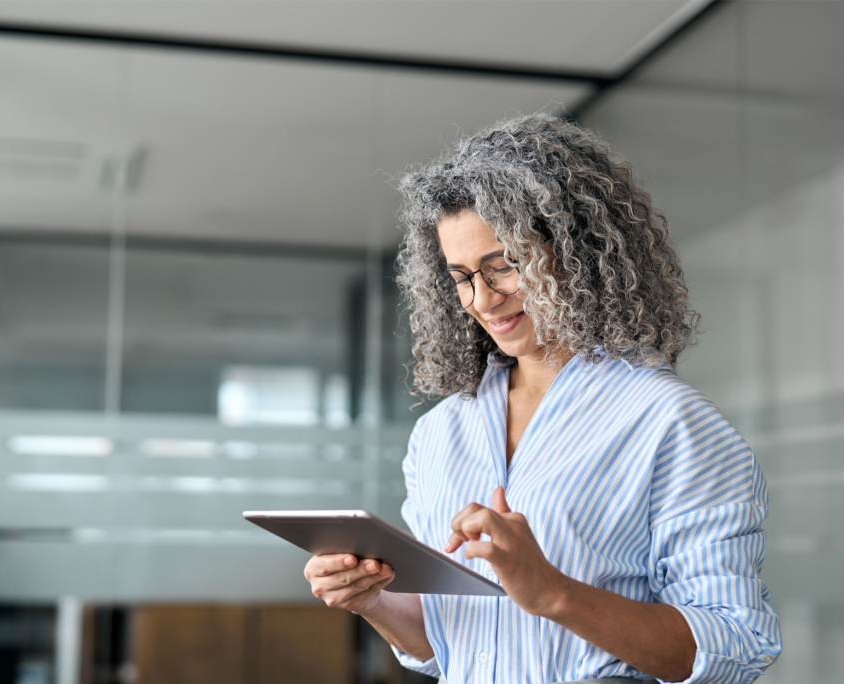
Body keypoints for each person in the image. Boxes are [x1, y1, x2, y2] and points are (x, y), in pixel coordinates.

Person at [304, 114, 782, 683]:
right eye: (461, 277)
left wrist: (554, 592)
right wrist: (372, 601)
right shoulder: (440, 434)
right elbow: (447, 639)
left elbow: (735, 643)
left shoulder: (668, 422)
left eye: (503, 265)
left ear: (577, 252)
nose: (482, 300)